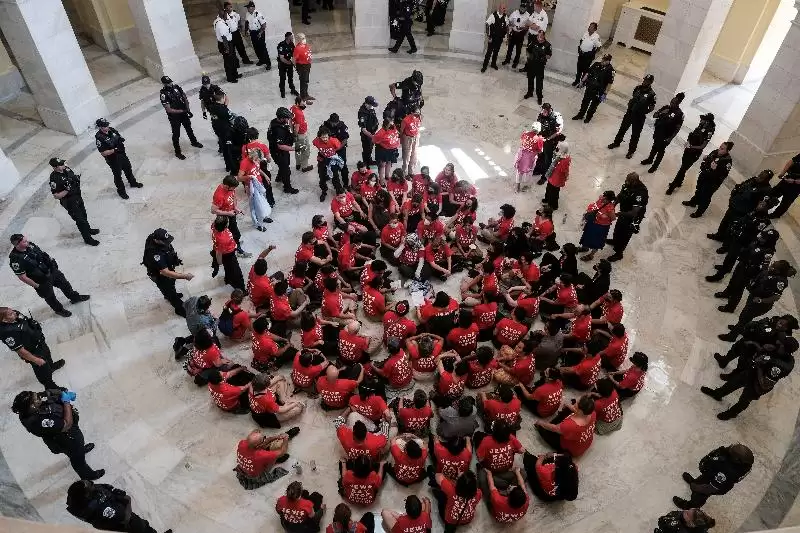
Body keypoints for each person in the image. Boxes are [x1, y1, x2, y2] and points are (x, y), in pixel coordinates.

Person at [12, 389, 104, 480]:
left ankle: (81, 450)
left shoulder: (25, 410)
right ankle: (87, 475)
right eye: (36, 399)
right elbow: (67, 424)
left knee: (77, 451)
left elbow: (45, 394)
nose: (39, 397)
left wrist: (59, 392)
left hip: (63, 433)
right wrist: (66, 401)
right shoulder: (40, 422)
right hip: (67, 438)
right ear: (32, 406)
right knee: (77, 460)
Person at [701, 338, 795, 420]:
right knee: (733, 383)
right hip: (752, 372)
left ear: (785, 350)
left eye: (780, 344)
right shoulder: (778, 350)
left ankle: (732, 413)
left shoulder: (779, 367)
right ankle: (718, 394)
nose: (778, 343)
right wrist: (762, 348)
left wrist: (758, 365)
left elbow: (765, 384)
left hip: (758, 384)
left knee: (744, 399)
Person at [9, 234, 90, 317]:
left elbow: (42, 253)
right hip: (41, 280)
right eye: (25, 241)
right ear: (17, 245)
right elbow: (23, 277)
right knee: (50, 297)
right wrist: (37, 286)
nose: (28, 242)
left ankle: (74, 298)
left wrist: (52, 263)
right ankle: (59, 310)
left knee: (65, 284)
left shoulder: (30, 245)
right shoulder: (16, 259)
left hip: (51, 271)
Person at [719, 260, 795, 341]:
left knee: (744, 318)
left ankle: (731, 336)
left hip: (759, 304)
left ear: (778, 271)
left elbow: (776, 297)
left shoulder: (780, 281)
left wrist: (761, 300)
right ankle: (739, 328)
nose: (771, 265)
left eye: (773, 266)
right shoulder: (770, 272)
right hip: (753, 297)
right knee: (744, 317)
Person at [66, 480, 169, 533]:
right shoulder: (101, 510)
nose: (94, 485)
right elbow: (125, 518)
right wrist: (128, 501)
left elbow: (102, 487)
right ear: (87, 495)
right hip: (126, 523)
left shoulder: (76, 498)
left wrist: (112, 491)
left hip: (113, 514)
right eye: (91, 486)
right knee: (143, 527)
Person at [672, 444, 753, 509]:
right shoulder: (735, 461)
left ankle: (689, 506)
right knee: (701, 480)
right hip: (711, 474)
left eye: (730, 452)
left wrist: (695, 487)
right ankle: (695, 482)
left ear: (735, 459)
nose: (728, 449)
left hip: (713, 484)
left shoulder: (728, 474)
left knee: (699, 495)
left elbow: (710, 488)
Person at [0, 307, 64, 389]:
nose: (14, 313)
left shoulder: (15, 314)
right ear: (4, 320)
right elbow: (21, 351)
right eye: (10, 314)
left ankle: (51, 367)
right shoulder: (8, 333)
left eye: (11, 310)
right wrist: (36, 360)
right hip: (33, 352)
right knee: (42, 368)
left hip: (39, 342)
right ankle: (50, 386)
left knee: (47, 354)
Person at [142, 228, 193, 317]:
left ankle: (169, 294)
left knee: (171, 285)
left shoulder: (153, 237)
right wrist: (185, 276)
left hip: (167, 268)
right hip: (160, 276)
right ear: (156, 240)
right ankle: (180, 309)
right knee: (170, 292)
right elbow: (165, 272)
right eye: (164, 241)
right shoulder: (154, 253)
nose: (167, 242)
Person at [48, 157, 99, 246]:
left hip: (77, 196)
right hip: (69, 201)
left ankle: (88, 229)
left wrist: (76, 179)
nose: (63, 165)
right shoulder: (54, 178)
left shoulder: (67, 169)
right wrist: (67, 190)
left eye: (63, 163)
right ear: (55, 167)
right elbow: (56, 195)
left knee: (84, 215)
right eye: (61, 165)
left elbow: (72, 177)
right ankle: (87, 239)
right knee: (80, 220)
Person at [608, 74, 657, 158]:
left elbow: (652, 106)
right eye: (644, 80)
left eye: (647, 81)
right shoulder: (637, 88)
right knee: (622, 129)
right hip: (630, 113)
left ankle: (631, 151)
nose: (645, 82)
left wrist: (645, 111)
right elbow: (633, 96)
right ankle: (616, 142)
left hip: (639, 117)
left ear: (650, 82)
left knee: (635, 134)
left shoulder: (652, 94)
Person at [667, 113, 716, 194]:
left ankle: (673, 186)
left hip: (694, 153)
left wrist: (691, 146)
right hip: (688, 150)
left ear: (707, 121)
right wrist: (688, 142)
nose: (701, 120)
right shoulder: (700, 126)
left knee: (682, 169)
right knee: (683, 167)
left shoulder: (709, 132)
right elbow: (692, 135)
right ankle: (679, 182)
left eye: (703, 119)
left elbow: (702, 146)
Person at [681, 142, 734, 218]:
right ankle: (693, 202)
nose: (719, 149)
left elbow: (722, 175)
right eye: (720, 147)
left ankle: (699, 212)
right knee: (698, 190)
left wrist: (714, 170)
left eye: (722, 149)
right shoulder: (715, 152)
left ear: (727, 151)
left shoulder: (727, 161)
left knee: (705, 197)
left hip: (712, 182)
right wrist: (704, 161)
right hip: (704, 176)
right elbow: (707, 160)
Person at [95, 118, 142, 199]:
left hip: (122, 154)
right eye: (105, 126)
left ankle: (133, 183)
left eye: (107, 124)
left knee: (128, 169)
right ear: (100, 127)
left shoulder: (111, 130)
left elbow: (118, 136)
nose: (107, 127)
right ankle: (121, 191)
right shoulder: (99, 137)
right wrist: (114, 150)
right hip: (113, 159)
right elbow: (103, 153)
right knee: (118, 175)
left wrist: (120, 140)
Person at [607, 172, 648, 262]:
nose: (626, 182)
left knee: (624, 235)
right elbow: (620, 195)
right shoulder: (627, 185)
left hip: (632, 218)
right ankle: (615, 241)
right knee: (618, 229)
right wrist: (613, 204)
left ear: (634, 182)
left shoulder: (640, 193)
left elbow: (634, 212)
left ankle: (619, 253)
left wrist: (618, 214)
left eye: (628, 181)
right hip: (624, 213)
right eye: (626, 180)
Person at [159, 75, 202, 160]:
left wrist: (188, 109)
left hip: (183, 112)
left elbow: (184, 97)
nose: (170, 84)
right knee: (176, 134)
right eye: (168, 83)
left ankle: (194, 142)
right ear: (164, 84)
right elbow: (168, 109)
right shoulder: (163, 94)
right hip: (174, 117)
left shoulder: (177, 87)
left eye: (170, 82)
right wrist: (181, 111)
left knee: (189, 128)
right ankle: (178, 152)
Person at [642, 93, 686, 173]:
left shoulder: (680, 114)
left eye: (673, 103)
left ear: (678, 103)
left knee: (661, 150)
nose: (671, 104)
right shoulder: (666, 107)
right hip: (658, 131)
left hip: (666, 135)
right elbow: (654, 116)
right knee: (654, 146)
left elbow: (677, 129)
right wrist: (661, 113)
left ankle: (655, 166)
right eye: (671, 101)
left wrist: (670, 138)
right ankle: (650, 159)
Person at [572, 54, 614, 123]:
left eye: (605, 60)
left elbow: (609, 83)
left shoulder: (611, 71)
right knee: (585, 102)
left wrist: (605, 93)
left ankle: (588, 118)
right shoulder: (596, 64)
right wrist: (582, 82)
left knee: (593, 106)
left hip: (599, 91)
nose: (602, 61)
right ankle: (580, 115)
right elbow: (588, 73)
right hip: (590, 87)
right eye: (603, 59)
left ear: (608, 61)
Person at [268, 107, 300, 194]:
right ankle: (287, 188)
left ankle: (279, 177)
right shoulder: (278, 130)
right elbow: (280, 146)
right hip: (279, 152)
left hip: (276, 150)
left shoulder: (274, 121)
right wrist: (294, 149)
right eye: (286, 118)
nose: (288, 120)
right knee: (286, 170)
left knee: (282, 165)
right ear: (281, 118)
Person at [578, 191, 616, 261]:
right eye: (603, 196)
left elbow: (613, 218)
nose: (602, 198)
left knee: (596, 241)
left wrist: (604, 216)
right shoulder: (601, 199)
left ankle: (591, 255)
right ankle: (585, 247)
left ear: (609, 200)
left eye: (605, 198)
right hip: (592, 223)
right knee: (587, 236)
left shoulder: (610, 208)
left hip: (600, 227)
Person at [523, 30, 552, 105]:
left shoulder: (547, 45)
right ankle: (530, 93)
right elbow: (527, 50)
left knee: (539, 83)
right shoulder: (533, 42)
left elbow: (549, 56)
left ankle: (539, 97)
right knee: (530, 79)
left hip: (540, 66)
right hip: (531, 65)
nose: (539, 38)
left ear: (544, 36)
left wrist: (543, 56)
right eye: (538, 36)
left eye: (541, 36)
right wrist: (529, 57)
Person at [513, 122, 543, 192]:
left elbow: (522, 141)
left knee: (519, 171)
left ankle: (517, 187)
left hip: (521, 155)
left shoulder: (525, 133)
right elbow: (540, 151)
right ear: (539, 130)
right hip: (530, 159)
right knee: (528, 172)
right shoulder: (539, 139)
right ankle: (526, 185)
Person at [323, 113, 351, 188]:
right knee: (331, 166)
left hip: (340, 149)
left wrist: (338, 148)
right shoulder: (325, 126)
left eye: (336, 123)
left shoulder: (342, 126)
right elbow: (321, 138)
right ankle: (336, 185)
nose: (334, 125)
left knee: (343, 166)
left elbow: (345, 139)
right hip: (330, 150)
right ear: (330, 121)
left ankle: (346, 183)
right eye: (333, 123)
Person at [769, 152, 800, 218]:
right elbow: (791, 161)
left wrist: (794, 181)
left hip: (797, 186)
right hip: (788, 178)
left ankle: (774, 215)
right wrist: (783, 172)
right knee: (773, 192)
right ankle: (765, 205)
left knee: (786, 202)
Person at [542, 140, 571, 209]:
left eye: (558, 147)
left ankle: (552, 205)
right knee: (548, 188)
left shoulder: (565, 160)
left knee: (554, 193)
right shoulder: (558, 154)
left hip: (557, 179)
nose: (557, 148)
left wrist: (566, 176)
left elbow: (565, 171)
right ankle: (547, 199)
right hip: (551, 175)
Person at [214, 9, 240, 83]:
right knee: (229, 61)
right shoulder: (220, 24)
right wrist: (227, 48)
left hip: (227, 42)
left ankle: (235, 74)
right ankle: (230, 78)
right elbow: (224, 37)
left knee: (232, 59)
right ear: (223, 15)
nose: (227, 16)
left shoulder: (218, 21)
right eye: (226, 14)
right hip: (225, 44)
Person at [573, 22, 603, 86]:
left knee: (585, 70)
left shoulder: (596, 37)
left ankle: (582, 82)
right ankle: (576, 81)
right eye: (589, 26)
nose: (589, 28)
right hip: (581, 54)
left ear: (595, 29)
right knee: (579, 68)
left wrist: (593, 53)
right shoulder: (585, 33)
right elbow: (581, 40)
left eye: (592, 27)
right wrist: (580, 48)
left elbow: (599, 46)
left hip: (588, 56)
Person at [373, 119, 401, 185]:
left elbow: (398, 136)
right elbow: (374, 140)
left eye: (392, 124)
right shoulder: (380, 133)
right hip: (383, 150)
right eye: (390, 124)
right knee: (382, 165)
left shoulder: (394, 129)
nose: (392, 125)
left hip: (392, 150)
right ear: (386, 125)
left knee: (389, 162)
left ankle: (387, 176)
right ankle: (381, 179)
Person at [503, 3, 529, 69]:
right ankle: (507, 60)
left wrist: (522, 28)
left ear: (526, 9)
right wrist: (512, 24)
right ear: (519, 7)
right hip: (513, 33)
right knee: (510, 48)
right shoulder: (515, 13)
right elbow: (509, 21)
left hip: (521, 34)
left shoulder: (528, 15)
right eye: (521, 8)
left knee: (518, 49)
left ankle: (515, 62)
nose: (522, 9)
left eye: (524, 8)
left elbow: (528, 26)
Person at [245, 1, 270, 69]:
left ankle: (268, 63)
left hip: (259, 32)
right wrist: (246, 30)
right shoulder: (247, 14)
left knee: (262, 48)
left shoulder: (258, 14)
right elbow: (247, 22)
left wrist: (260, 33)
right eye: (247, 8)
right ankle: (261, 60)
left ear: (253, 7)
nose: (247, 9)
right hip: (252, 33)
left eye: (248, 7)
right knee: (256, 47)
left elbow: (264, 25)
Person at [482, 6, 508, 73]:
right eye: (503, 8)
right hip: (492, 38)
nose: (504, 9)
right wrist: (489, 36)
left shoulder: (505, 16)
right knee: (489, 53)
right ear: (499, 9)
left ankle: (493, 64)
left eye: (505, 8)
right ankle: (484, 66)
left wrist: (507, 37)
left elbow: (507, 26)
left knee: (496, 52)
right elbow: (487, 24)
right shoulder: (493, 15)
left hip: (499, 38)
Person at [358, 96, 380, 166]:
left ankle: (369, 161)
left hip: (372, 132)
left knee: (370, 149)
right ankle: (366, 165)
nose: (372, 107)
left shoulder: (370, 108)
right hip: (367, 135)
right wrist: (373, 137)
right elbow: (364, 130)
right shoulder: (362, 114)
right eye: (371, 105)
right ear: (367, 104)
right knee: (366, 150)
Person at [400, 107, 421, 175]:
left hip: (416, 137)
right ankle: (404, 172)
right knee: (407, 155)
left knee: (414, 155)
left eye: (418, 112)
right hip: (408, 138)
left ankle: (411, 171)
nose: (417, 114)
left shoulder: (419, 117)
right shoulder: (406, 120)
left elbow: (418, 127)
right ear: (411, 112)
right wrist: (402, 140)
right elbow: (401, 131)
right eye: (416, 113)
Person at [277, 32, 299, 98]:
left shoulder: (292, 44)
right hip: (282, 64)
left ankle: (292, 90)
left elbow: (294, 54)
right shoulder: (281, 45)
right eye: (291, 37)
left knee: (290, 78)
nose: (292, 38)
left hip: (289, 63)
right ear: (287, 37)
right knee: (282, 78)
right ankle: (282, 91)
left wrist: (295, 62)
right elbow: (281, 58)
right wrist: (290, 63)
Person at [293, 34, 313, 100]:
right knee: (303, 81)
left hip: (307, 65)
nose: (304, 39)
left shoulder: (305, 45)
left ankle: (306, 94)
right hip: (302, 66)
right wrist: (296, 68)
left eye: (304, 38)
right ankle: (303, 96)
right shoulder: (297, 48)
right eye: (302, 38)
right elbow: (294, 59)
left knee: (306, 81)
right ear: (299, 40)